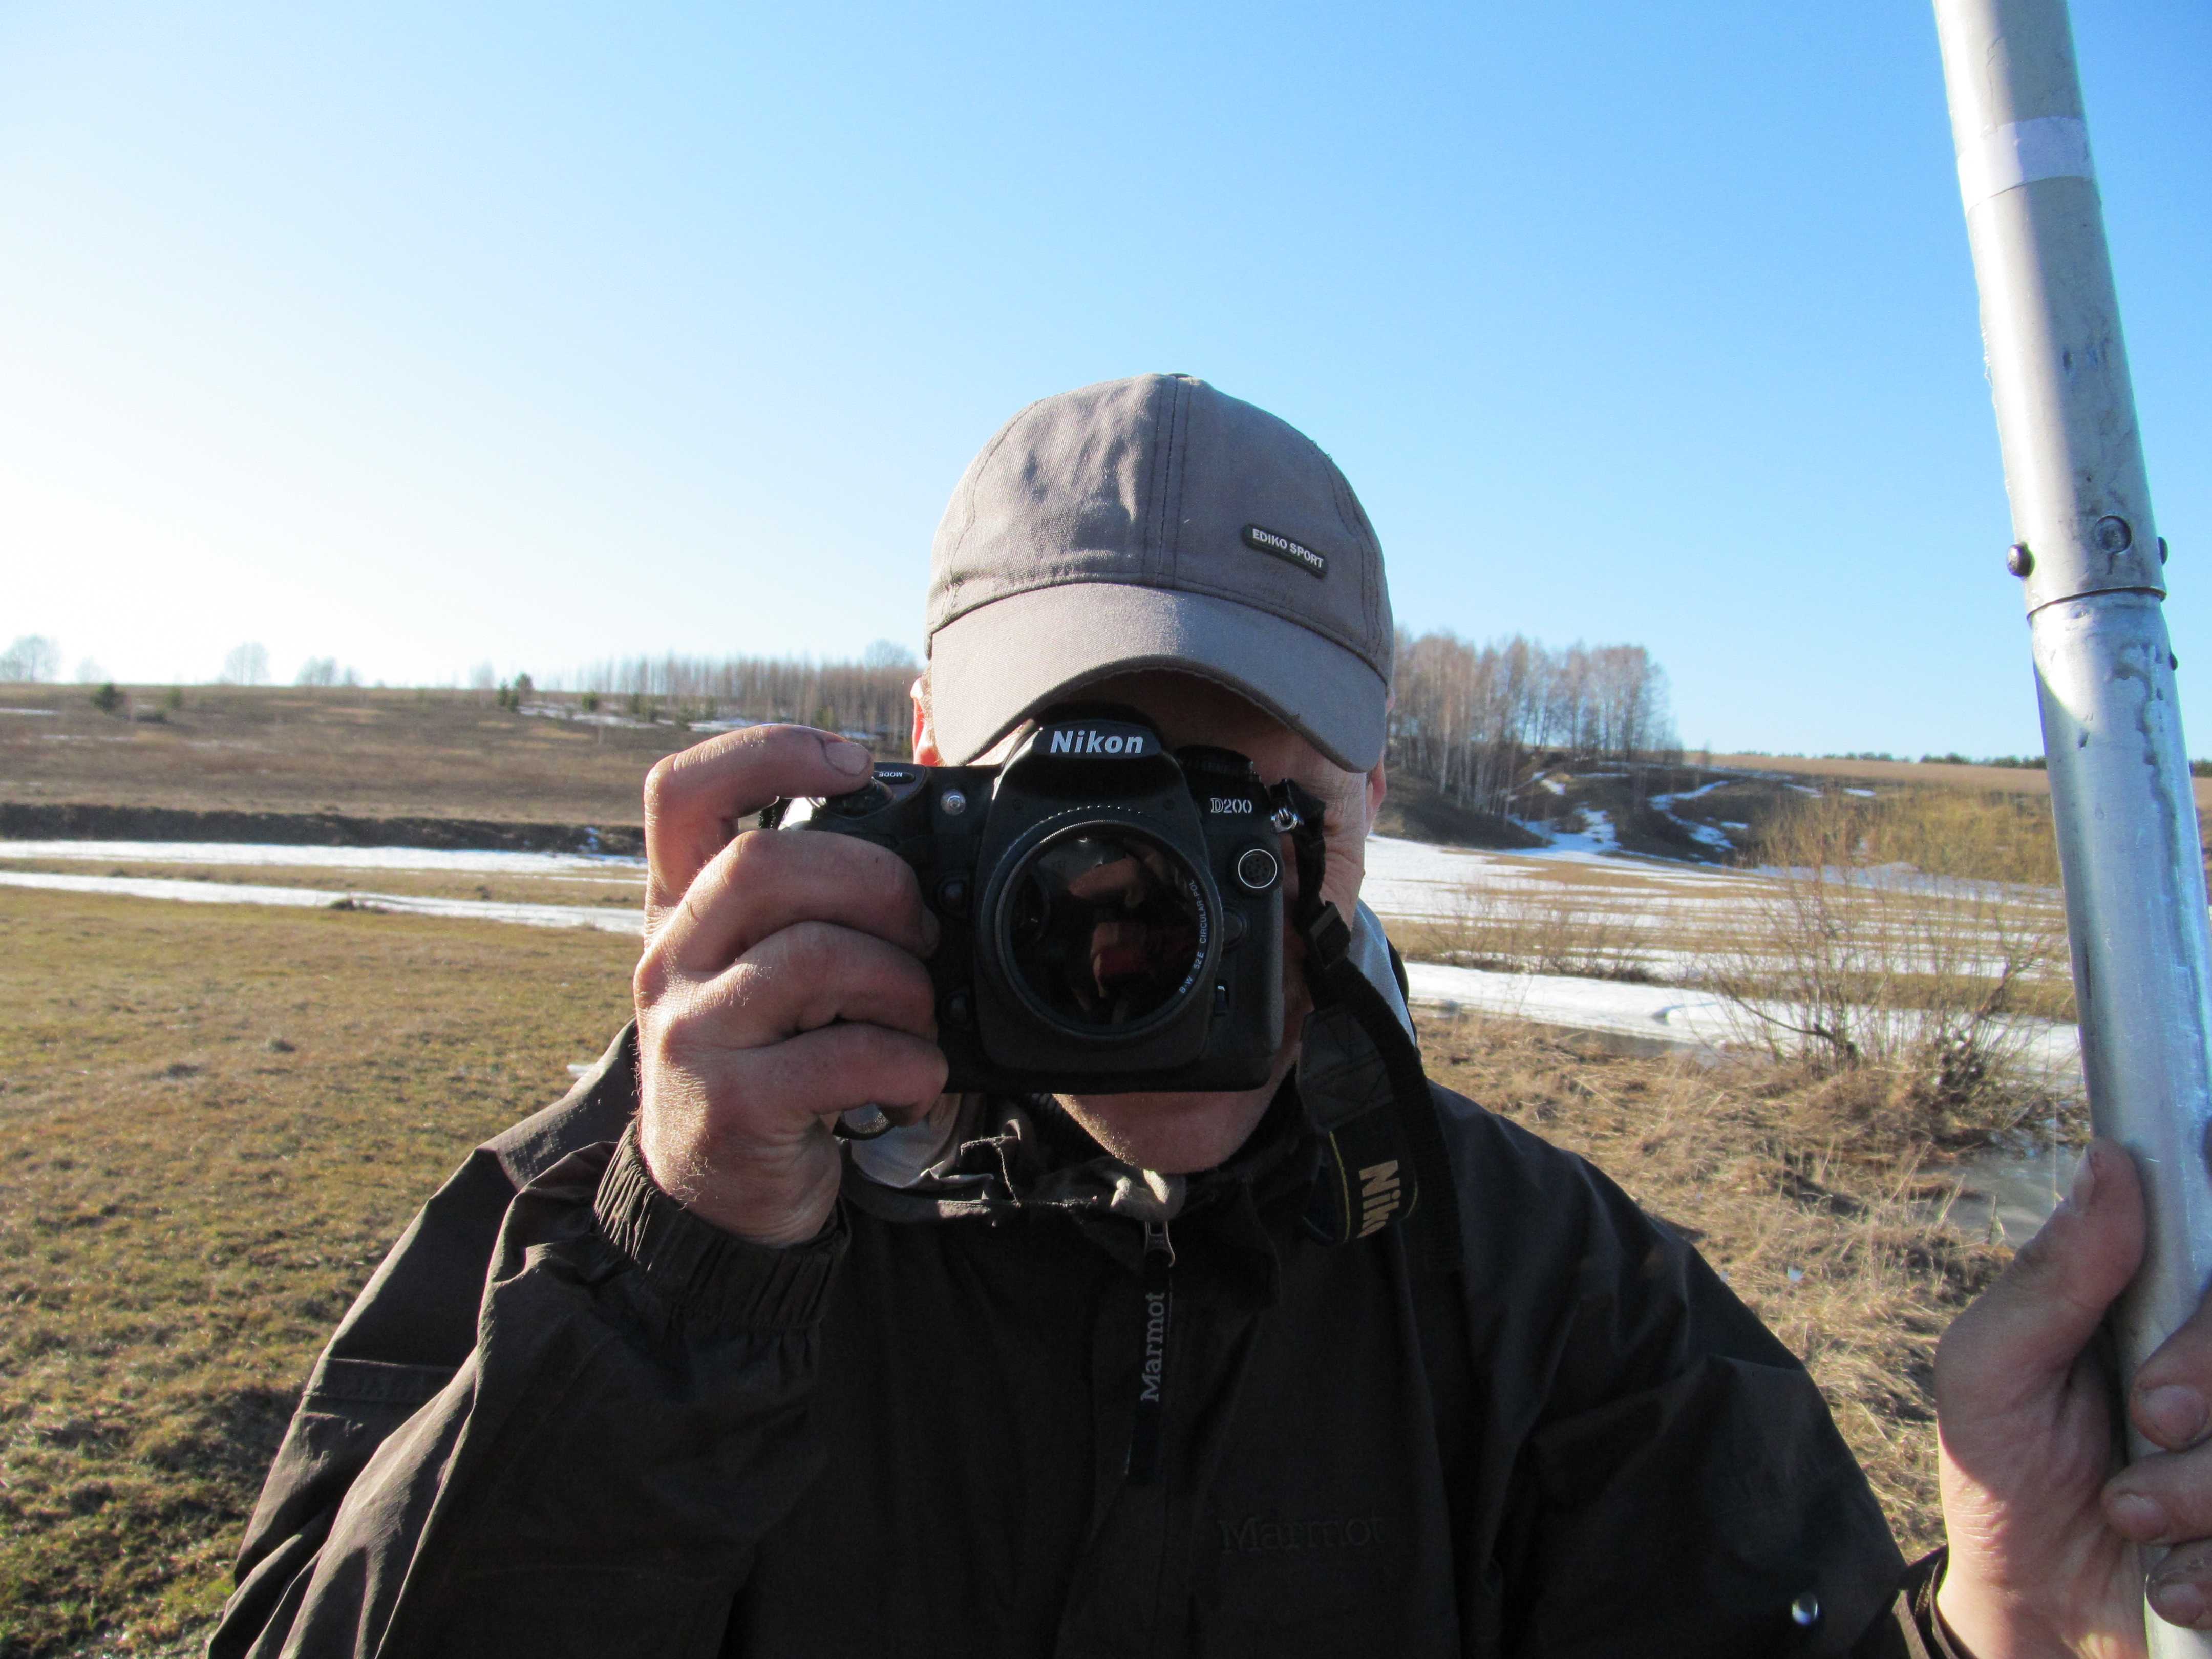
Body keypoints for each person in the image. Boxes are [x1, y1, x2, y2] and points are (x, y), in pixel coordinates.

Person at [213, 374, 2212, 1658]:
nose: (1140, 933)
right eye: (1072, 837)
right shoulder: (620, 1220)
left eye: (1243, 831)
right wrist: (677, 1290)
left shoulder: (1553, 1302)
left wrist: (2015, 1621)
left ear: (1367, 806)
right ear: (917, 770)